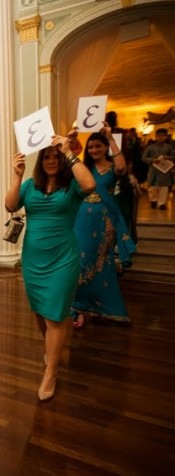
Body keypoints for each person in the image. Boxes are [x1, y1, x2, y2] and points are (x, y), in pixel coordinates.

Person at [5, 134, 96, 401]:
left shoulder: (72, 185)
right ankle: (52, 348)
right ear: (40, 160)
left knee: (55, 314)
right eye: (47, 156)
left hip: (63, 259)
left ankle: (51, 373)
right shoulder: (31, 185)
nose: (52, 160)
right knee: (40, 310)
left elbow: (90, 184)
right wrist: (17, 175)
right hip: (33, 259)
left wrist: (68, 151)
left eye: (56, 156)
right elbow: (10, 205)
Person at [71, 123, 137, 327]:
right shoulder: (84, 167)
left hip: (105, 220)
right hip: (82, 219)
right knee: (80, 262)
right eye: (90, 147)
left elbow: (122, 167)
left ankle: (100, 306)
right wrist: (71, 137)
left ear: (104, 147)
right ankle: (78, 308)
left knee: (103, 264)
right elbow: (68, 157)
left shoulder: (111, 166)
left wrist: (109, 137)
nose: (93, 150)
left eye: (98, 146)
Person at [142, 127, 174, 209]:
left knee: (164, 188)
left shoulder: (169, 147)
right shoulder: (151, 147)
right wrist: (153, 160)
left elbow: (174, 156)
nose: (161, 137)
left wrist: (167, 157)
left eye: (163, 136)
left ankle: (162, 204)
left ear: (166, 137)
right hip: (153, 171)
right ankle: (153, 200)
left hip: (164, 171)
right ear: (156, 136)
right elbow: (144, 158)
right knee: (152, 188)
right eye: (159, 135)